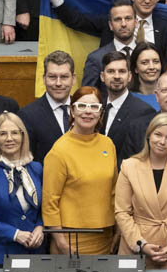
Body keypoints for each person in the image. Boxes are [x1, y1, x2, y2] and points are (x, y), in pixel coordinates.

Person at [115, 113, 167, 272]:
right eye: (158, 134)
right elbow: (122, 212)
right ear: (149, 136)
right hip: (137, 248)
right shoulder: (129, 167)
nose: (162, 141)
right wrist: (141, 244)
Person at [41, 87, 117, 255]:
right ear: (72, 111)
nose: (88, 112)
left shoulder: (108, 144)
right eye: (81, 106)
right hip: (70, 239)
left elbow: (114, 190)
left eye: (94, 107)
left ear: (100, 113)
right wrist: (60, 242)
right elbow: (50, 202)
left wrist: (117, 231)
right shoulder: (59, 150)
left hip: (105, 236)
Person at [0, 112, 45, 265]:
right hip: (2, 256)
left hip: (35, 252)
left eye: (14, 133)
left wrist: (40, 227)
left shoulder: (36, 169)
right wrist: (15, 234)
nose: (9, 139)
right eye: (3, 134)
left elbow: (43, 210)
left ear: (23, 136)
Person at [21, 51, 78, 161]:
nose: (58, 83)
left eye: (64, 77)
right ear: (44, 78)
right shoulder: (27, 115)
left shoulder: (84, 109)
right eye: (52, 77)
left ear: (73, 79)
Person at [95, 51, 153, 159]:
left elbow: (142, 155)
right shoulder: (96, 107)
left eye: (122, 71)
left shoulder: (143, 111)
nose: (117, 76)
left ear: (129, 76)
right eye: (111, 71)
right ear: (102, 76)